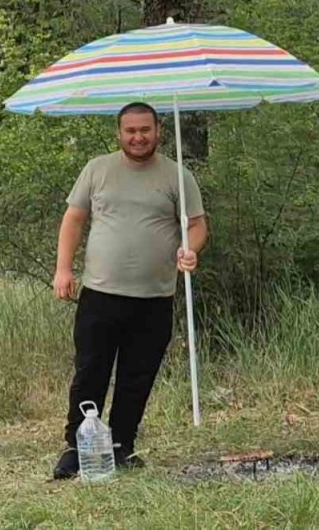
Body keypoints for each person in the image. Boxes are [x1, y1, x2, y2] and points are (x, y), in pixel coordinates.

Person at [50, 101, 208, 480]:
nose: (138, 137)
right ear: (119, 133)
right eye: (130, 131)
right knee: (91, 370)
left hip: (155, 297)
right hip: (100, 294)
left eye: (145, 130)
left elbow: (198, 225)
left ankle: (123, 446)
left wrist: (191, 249)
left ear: (158, 131)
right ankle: (77, 447)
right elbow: (73, 219)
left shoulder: (177, 176)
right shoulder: (97, 169)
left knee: (138, 375)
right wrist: (62, 269)